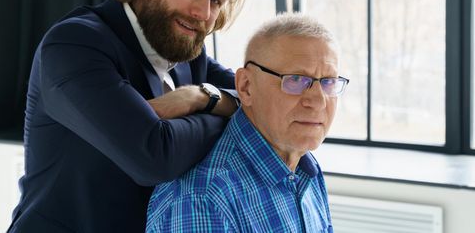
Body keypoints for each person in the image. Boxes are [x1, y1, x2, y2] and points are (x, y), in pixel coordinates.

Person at [8, 0, 247, 233]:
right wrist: (222, 107)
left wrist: (202, 97)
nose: (203, 13)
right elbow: (153, 156)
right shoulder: (73, 44)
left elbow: (256, 94)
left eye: (216, 1)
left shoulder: (188, 50)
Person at [146, 13, 349, 232]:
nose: (319, 101)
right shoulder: (203, 201)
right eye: (296, 80)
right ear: (246, 87)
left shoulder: (306, 167)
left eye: (329, 82)